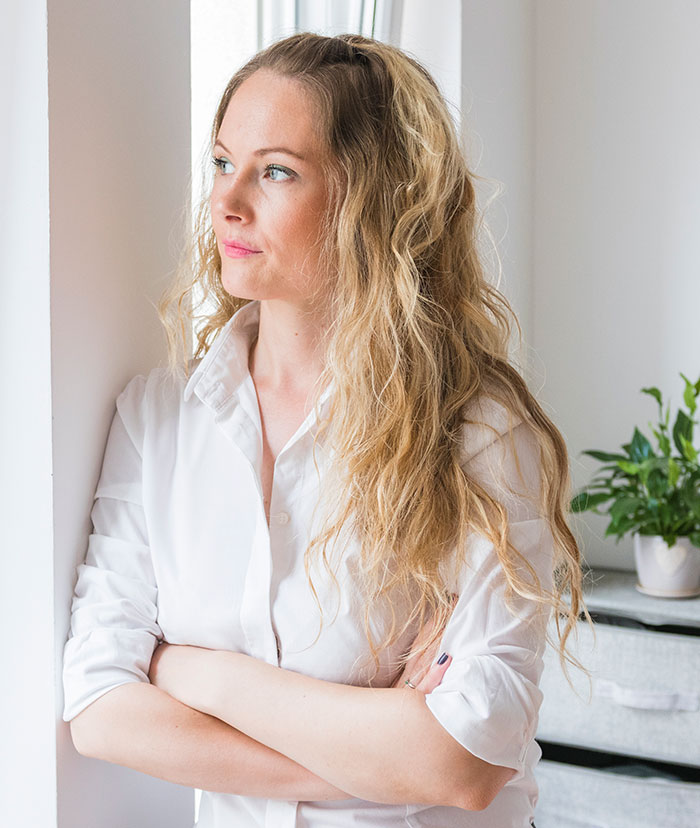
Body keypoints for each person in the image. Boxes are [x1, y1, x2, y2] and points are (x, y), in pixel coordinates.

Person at [62, 31, 586, 827]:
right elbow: (100, 707)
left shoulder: (476, 432)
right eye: (220, 161)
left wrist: (190, 672)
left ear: (369, 200)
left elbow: (467, 761)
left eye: (276, 171)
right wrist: (382, 756)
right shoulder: (157, 418)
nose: (228, 201)